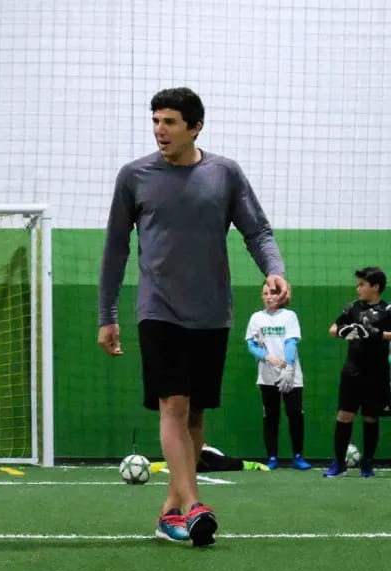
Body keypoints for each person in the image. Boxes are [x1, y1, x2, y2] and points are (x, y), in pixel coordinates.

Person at [97, 87, 291, 547]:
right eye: (155, 121)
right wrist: (107, 314)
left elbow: (256, 229)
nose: (159, 130)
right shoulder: (135, 176)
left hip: (212, 313)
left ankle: (170, 513)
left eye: (169, 122)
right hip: (158, 310)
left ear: (195, 126)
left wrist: (275, 270)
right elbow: (115, 249)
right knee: (173, 404)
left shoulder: (224, 174)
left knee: (195, 413)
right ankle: (193, 504)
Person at [323, 267, 391, 478]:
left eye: (362, 284)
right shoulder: (352, 308)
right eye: (358, 284)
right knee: (344, 416)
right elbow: (333, 330)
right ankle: (338, 463)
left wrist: (374, 334)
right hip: (352, 371)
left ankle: (367, 464)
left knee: (371, 417)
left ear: (375, 287)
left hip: (377, 372)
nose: (358, 288)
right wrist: (344, 332)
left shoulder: (387, 310)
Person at [245, 282, 312, 470]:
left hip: (291, 374)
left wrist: (288, 367)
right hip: (267, 375)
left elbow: (291, 341)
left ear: (281, 295)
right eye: (265, 293)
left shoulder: (289, 316)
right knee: (271, 416)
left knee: (295, 414)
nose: (269, 297)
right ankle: (272, 457)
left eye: (273, 293)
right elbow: (252, 345)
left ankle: (298, 456)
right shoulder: (256, 318)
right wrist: (267, 357)